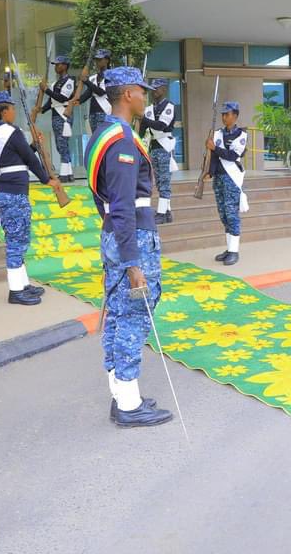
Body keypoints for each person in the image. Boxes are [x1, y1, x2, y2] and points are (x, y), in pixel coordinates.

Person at [84, 66, 172, 428]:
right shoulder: (120, 139)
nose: (145, 96)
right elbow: (121, 204)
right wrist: (133, 261)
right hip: (131, 237)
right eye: (141, 90)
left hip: (118, 235)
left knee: (119, 315)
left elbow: (103, 200)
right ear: (127, 94)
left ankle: (123, 394)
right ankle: (129, 405)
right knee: (133, 317)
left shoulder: (103, 132)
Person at [0, 90, 61, 305]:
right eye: (12, 108)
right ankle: (16, 290)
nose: (14, 112)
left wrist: (34, 146)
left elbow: (16, 155)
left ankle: (23, 283)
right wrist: (47, 179)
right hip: (12, 192)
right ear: (4, 111)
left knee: (18, 239)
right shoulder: (11, 130)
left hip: (7, 190)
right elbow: (28, 159)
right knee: (16, 242)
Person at [207, 101, 247, 266]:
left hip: (232, 179)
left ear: (235, 116)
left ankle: (234, 251)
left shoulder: (241, 135)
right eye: (223, 114)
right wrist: (209, 173)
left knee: (231, 215)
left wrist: (214, 148)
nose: (224, 117)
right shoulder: (217, 133)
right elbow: (214, 158)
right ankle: (229, 248)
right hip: (219, 178)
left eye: (227, 114)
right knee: (223, 214)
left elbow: (232, 156)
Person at [140, 78, 176, 223]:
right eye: (153, 88)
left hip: (164, 146)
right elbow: (144, 129)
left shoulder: (169, 106)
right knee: (160, 182)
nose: (154, 91)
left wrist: (144, 119)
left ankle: (161, 213)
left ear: (164, 89)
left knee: (164, 180)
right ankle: (167, 212)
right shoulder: (149, 108)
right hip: (153, 146)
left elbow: (161, 125)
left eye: (157, 88)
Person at [40, 55, 76, 183]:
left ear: (65, 66)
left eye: (59, 64)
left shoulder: (70, 80)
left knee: (62, 144)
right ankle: (69, 172)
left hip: (63, 114)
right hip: (55, 114)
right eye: (55, 65)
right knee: (60, 145)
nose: (56, 67)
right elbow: (52, 101)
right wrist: (42, 109)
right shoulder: (56, 83)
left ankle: (64, 174)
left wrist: (46, 90)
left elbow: (61, 98)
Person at [77, 48, 111, 133]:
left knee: (103, 140)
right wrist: (76, 99)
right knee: (96, 141)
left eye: (100, 59)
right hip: (92, 114)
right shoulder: (93, 78)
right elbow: (88, 94)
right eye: (96, 60)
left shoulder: (110, 75)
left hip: (105, 112)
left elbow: (100, 92)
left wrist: (86, 81)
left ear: (106, 60)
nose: (97, 62)